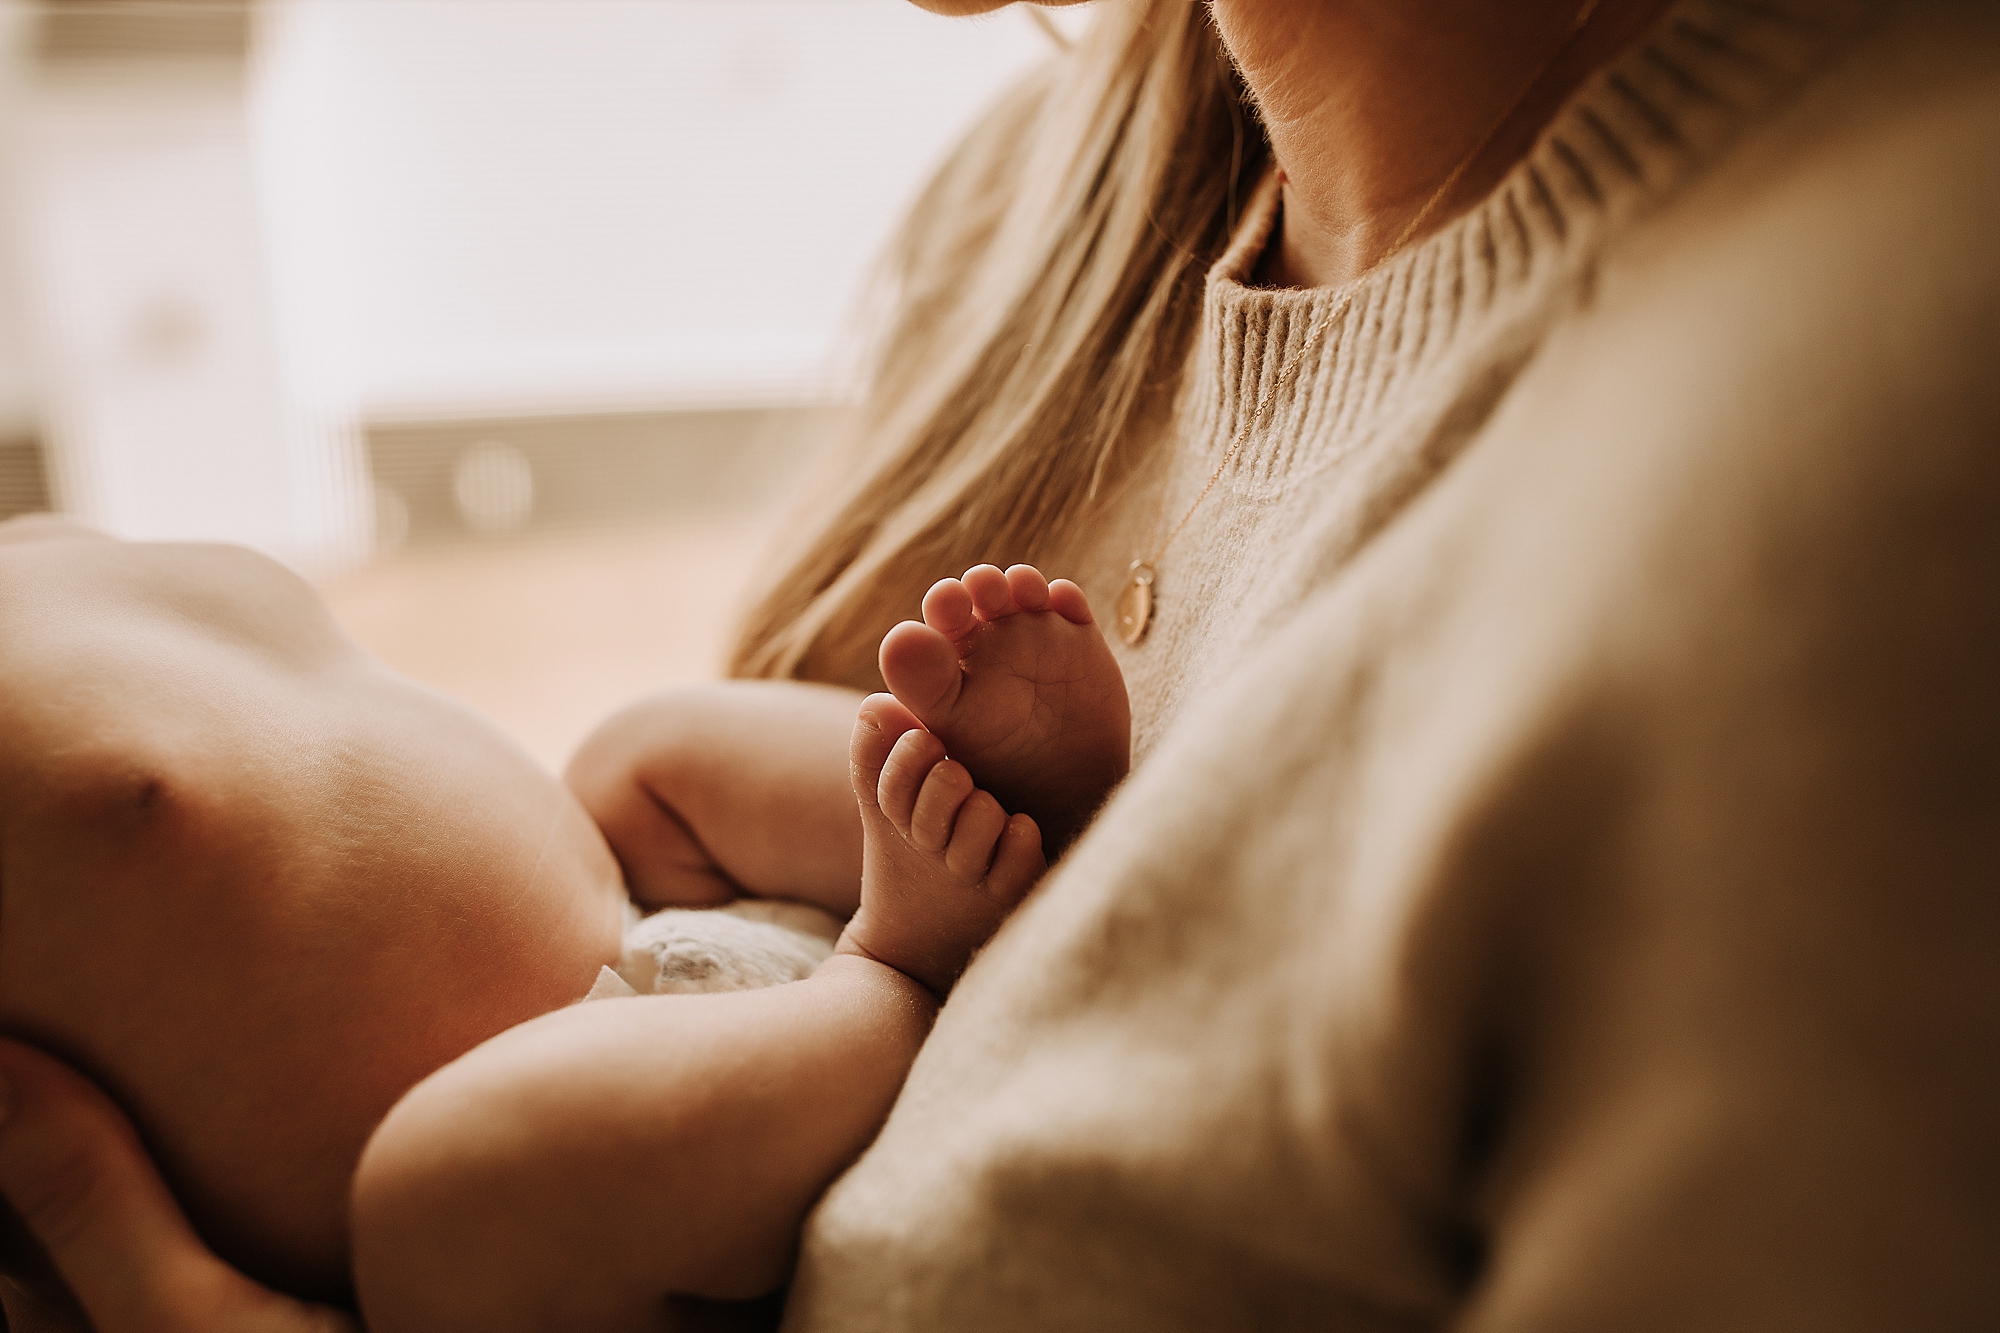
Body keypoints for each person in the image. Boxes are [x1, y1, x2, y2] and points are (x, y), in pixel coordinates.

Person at [6, 0, 1997, 1327]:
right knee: (636, 770)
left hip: (732, 1012)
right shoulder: (1064, 223)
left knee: (440, 1204)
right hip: (690, 984)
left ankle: (906, 965)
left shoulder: (1874, 463)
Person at [0, 517, 1127, 1330]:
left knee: (640, 753)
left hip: (659, 902)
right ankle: (907, 967)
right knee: (446, 1204)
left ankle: (991, 803)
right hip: (593, 1183)